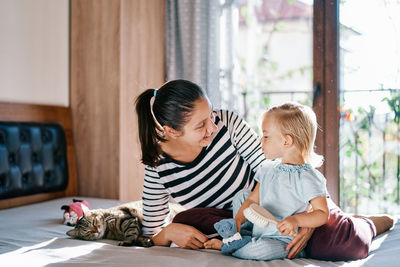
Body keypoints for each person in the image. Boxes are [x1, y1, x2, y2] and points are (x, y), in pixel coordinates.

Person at [135, 79, 393, 260]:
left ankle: (367, 224)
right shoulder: (158, 168)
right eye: (201, 125)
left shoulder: (228, 123)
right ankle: (244, 238)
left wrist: (306, 221)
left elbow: (279, 169)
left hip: (284, 202)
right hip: (231, 219)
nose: (212, 127)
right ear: (170, 131)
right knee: (183, 221)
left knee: (343, 243)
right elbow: (150, 235)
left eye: (211, 115)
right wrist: (169, 232)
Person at [204, 102, 330, 260]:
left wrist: (296, 220)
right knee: (242, 196)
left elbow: (322, 214)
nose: (260, 141)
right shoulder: (267, 169)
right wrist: (237, 221)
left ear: (286, 141)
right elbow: (252, 199)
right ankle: (239, 238)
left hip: (281, 240)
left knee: (258, 251)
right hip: (258, 228)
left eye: (266, 136)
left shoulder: (308, 177)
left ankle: (230, 246)